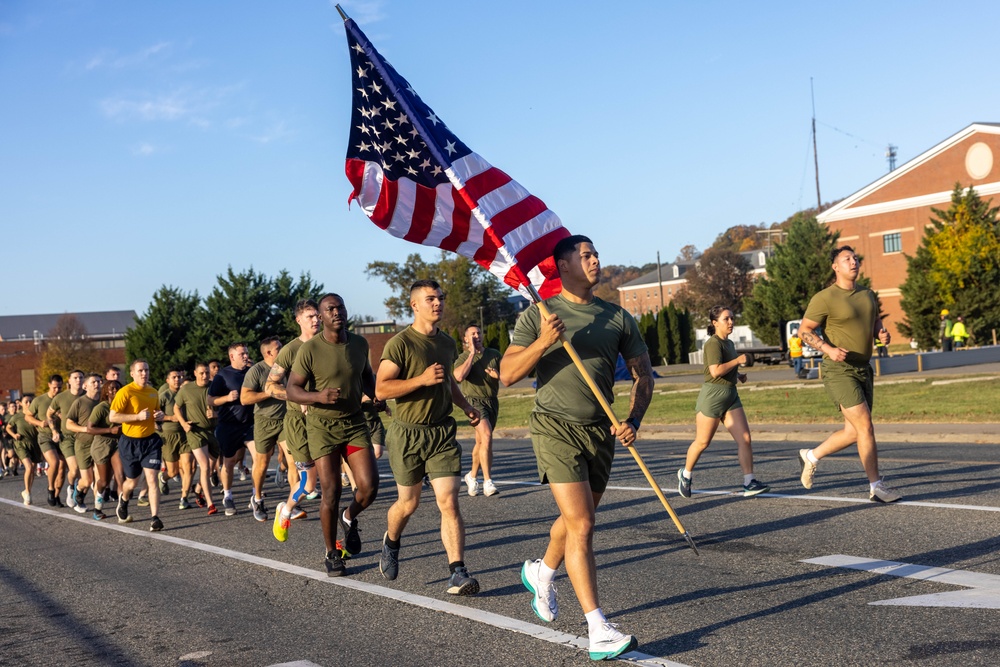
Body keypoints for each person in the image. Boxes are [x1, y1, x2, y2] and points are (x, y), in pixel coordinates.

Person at [499, 235, 652, 661]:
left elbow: (644, 376)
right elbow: (508, 374)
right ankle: (598, 628)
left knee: (573, 522)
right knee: (582, 524)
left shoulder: (617, 317)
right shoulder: (540, 315)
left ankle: (541, 572)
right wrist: (544, 340)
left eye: (596, 254)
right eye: (585, 255)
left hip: (600, 433)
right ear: (562, 265)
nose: (595, 260)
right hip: (554, 428)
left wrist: (633, 421)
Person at [375, 279, 482, 596]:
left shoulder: (447, 343)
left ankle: (457, 572)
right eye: (430, 298)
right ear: (415, 305)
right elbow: (381, 389)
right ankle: (391, 541)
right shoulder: (400, 344)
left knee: (449, 501)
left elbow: (448, 380)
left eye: (440, 298)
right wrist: (420, 379)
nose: (438, 303)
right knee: (408, 504)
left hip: (440, 432)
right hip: (407, 434)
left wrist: (464, 405)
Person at [797, 246, 901, 503]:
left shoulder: (867, 294)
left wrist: (881, 333)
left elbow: (875, 320)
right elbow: (804, 330)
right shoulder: (825, 298)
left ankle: (812, 456)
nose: (854, 262)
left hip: (863, 367)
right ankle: (876, 486)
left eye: (855, 258)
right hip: (838, 370)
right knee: (865, 425)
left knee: (854, 432)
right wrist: (827, 348)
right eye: (847, 259)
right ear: (836, 266)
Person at [287, 293, 380, 576]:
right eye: (330, 309)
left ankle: (348, 516)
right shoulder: (310, 349)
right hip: (322, 428)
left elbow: (366, 375)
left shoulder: (359, 343)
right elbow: (292, 389)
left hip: (353, 423)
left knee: (369, 487)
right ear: (321, 316)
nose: (336, 312)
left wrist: (374, 396)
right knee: (331, 490)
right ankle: (331, 552)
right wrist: (318, 396)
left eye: (340, 307)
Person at [677, 306, 769, 499]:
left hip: (730, 395)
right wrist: (737, 362)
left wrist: (739, 375)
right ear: (715, 323)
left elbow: (726, 371)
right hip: (713, 397)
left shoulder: (729, 344)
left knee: (745, 439)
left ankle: (749, 482)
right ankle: (685, 475)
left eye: (732, 318)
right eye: (726, 319)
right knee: (703, 442)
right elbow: (715, 371)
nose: (731, 322)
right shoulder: (713, 343)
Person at [266, 299, 321, 542]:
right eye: (310, 316)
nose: (316, 320)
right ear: (299, 320)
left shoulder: (329, 344)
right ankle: (285, 510)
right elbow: (270, 386)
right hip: (299, 423)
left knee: (335, 482)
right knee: (309, 486)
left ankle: (339, 536)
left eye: (317, 315)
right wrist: (298, 396)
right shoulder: (290, 350)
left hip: (327, 421)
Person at [109, 359, 166, 530]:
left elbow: (155, 418)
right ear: (132, 373)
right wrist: (136, 417)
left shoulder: (153, 392)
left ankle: (155, 518)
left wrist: (159, 418)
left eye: (146, 370)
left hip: (150, 442)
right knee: (132, 483)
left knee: (152, 480)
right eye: (140, 371)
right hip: (130, 443)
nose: (144, 374)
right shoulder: (125, 392)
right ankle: (124, 500)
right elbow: (113, 417)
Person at [453, 323, 502, 497]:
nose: (476, 336)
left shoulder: (494, 354)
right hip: (474, 403)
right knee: (487, 436)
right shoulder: (463, 357)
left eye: (479, 333)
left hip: (492, 402)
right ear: (466, 339)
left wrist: (499, 376)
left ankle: (471, 476)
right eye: (472, 334)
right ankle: (488, 481)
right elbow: (458, 377)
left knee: (481, 442)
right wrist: (472, 353)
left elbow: (509, 374)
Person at [241, 336, 287, 523]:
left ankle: (293, 500)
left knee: (292, 460)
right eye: (279, 348)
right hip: (264, 421)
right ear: (268, 352)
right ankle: (257, 498)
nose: (283, 351)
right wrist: (268, 393)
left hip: (286, 419)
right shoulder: (256, 370)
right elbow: (245, 398)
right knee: (262, 463)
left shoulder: (287, 368)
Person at [208, 342, 255, 516]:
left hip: (250, 423)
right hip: (228, 425)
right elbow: (210, 400)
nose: (245, 356)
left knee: (259, 458)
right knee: (229, 462)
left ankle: (255, 495)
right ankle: (227, 495)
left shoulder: (253, 371)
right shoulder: (223, 375)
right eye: (242, 353)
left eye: (247, 353)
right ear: (232, 356)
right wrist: (227, 398)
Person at [174, 362, 220, 514]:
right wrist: (183, 424)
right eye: (201, 373)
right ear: (195, 373)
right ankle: (210, 504)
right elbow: (176, 407)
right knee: (205, 466)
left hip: (212, 431)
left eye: (207, 372)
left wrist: (216, 414)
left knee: (212, 467)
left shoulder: (214, 386)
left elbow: (225, 408)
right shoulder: (187, 389)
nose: (205, 376)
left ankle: (198, 489)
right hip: (195, 431)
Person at [65, 374, 105, 517]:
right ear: (85, 386)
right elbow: (68, 424)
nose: (97, 384)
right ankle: (78, 489)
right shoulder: (80, 402)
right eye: (93, 382)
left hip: (101, 444)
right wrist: (85, 429)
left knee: (100, 479)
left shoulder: (104, 401)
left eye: (99, 382)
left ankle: (97, 509)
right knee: (87, 481)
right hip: (83, 445)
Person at [47, 369, 85, 510]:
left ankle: (79, 494)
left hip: (84, 437)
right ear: (69, 381)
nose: (78, 380)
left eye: (81, 377)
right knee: (74, 469)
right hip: (67, 438)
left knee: (85, 473)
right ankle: (70, 488)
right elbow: (49, 414)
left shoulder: (89, 397)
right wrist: (54, 430)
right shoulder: (61, 397)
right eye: (75, 377)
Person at [25, 375, 65, 507]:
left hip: (62, 436)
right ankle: (50, 488)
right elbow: (28, 417)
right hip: (45, 437)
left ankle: (57, 495)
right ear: (49, 385)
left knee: (62, 467)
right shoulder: (39, 400)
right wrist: (40, 423)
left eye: (59, 388)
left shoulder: (63, 399)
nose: (57, 390)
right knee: (54, 462)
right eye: (54, 387)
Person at [89, 380, 125, 515]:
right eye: (112, 389)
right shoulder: (101, 408)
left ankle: (122, 509)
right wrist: (110, 431)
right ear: (106, 392)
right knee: (104, 481)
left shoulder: (123, 407)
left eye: (118, 388)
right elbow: (89, 429)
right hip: (102, 445)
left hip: (118, 444)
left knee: (120, 476)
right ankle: (97, 506)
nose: (115, 391)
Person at [6, 394, 41, 505]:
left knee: (32, 470)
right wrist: (14, 435)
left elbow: (41, 428)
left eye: (31, 401)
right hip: (21, 444)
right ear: (20, 403)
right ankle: (28, 494)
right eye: (26, 401)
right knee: (29, 467)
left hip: (34, 444)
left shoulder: (36, 415)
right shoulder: (17, 416)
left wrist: (36, 425)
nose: (29, 404)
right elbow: (8, 427)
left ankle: (27, 491)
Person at [157, 367, 186, 500]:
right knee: (173, 471)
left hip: (185, 433)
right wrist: (170, 418)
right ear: (167, 380)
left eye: (179, 377)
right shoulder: (164, 396)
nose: (177, 380)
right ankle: (163, 478)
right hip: (168, 435)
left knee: (187, 465)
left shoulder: (186, 393)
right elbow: (153, 416)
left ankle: (184, 496)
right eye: (174, 377)